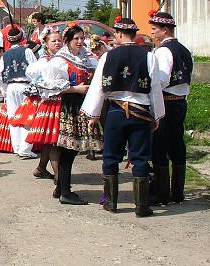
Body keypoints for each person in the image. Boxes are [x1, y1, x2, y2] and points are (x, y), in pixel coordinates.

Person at [81, 17, 165, 217]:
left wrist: (93, 114)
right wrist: (157, 114)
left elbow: (98, 87)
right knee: (140, 157)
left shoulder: (108, 57)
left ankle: (111, 202)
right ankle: (141, 206)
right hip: (141, 113)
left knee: (111, 156)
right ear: (134, 35)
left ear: (118, 34)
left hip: (116, 112)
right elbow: (155, 87)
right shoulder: (149, 56)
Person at [44, 24, 101, 205]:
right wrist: (75, 88)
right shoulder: (60, 60)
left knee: (72, 150)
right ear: (67, 41)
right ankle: (65, 192)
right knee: (68, 150)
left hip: (82, 107)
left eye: (81, 38)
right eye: (76, 38)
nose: (79, 42)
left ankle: (62, 188)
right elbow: (50, 86)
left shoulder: (86, 58)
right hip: (69, 108)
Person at [148, 11, 193, 205]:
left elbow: (162, 79)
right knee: (177, 144)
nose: (152, 33)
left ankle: (162, 193)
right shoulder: (184, 49)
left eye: (155, 29)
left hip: (166, 102)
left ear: (165, 30)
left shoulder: (163, 51)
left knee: (160, 145)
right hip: (180, 101)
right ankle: (178, 192)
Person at [12, 27, 63, 179]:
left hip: (61, 102)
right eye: (54, 41)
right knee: (52, 138)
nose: (57, 43)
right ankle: (58, 176)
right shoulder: (44, 61)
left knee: (50, 138)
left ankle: (41, 168)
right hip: (48, 102)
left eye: (59, 40)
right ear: (46, 44)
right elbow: (31, 73)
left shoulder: (63, 58)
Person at [0, 28, 38, 158]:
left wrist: (4, 90)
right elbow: (34, 70)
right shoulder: (27, 51)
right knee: (27, 116)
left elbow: (0, 75)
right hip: (25, 86)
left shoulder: (5, 54)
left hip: (10, 87)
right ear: (22, 38)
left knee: (13, 117)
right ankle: (25, 147)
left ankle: (17, 147)